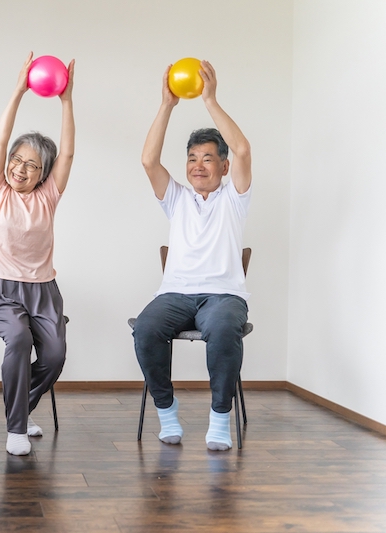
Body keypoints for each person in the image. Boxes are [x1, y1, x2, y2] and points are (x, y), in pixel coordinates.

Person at [134, 60, 252, 451]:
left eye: (207, 159)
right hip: (176, 294)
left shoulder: (234, 198)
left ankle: (220, 419)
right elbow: (149, 161)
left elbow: (243, 148)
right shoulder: (177, 198)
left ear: (223, 165)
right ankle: (167, 412)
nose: (198, 166)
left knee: (221, 328)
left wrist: (210, 99)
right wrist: (167, 104)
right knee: (147, 327)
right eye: (191, 159)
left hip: (223, 295)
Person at [0, 53, 75, 456]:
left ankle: (20, 407)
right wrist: (18, 91)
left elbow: (66, 155)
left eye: (31, 165)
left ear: (43, 175)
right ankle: (16, 426)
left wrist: (66, 101)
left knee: (54, 355)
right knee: (17, 336)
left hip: (43, 291)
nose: (19, 168)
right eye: (17, 160)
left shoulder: (48, 197)